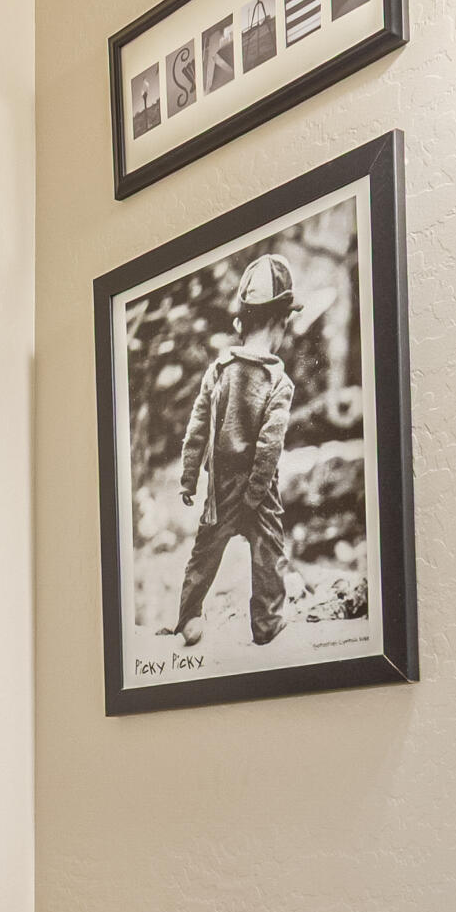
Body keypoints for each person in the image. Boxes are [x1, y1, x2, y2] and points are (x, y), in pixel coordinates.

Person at [167, 255, 299, 649]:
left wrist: (189, 476)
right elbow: (269, 446)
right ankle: (267, 622)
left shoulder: (219, 371)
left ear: (241, 322)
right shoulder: (279, 381)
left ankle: (189, 618)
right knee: (269, 550)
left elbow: (197, 428)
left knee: (204, 552)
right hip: (258, 489)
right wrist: (256, 493)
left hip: (219, 487)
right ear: (281, 323)